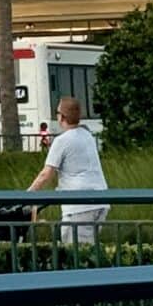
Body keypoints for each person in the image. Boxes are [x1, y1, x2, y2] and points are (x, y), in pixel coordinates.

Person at [27, 96, 110, 244]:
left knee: (75, 254)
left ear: (61, 117)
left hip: (79, 206)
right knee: (90, 250)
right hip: (101, 201)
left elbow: (46, 174)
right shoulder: (87, 135)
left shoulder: (62, 141)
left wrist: (27, 195)